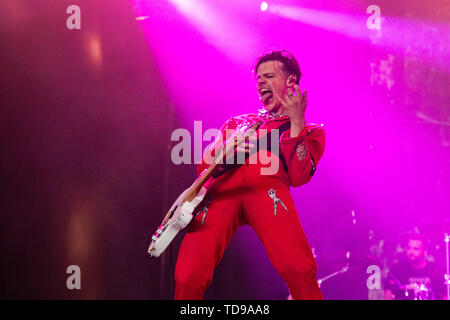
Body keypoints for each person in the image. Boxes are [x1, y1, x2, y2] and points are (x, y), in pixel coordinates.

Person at [173, 50, 326, 300]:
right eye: (258, 79)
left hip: (268, 192)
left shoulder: (312, 131)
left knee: (299, 268)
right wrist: (224, 152)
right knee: (187, 275)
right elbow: (203, 166)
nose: (260, 82)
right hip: (222, 193)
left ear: (291, 82)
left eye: (268, 76)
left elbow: (299, 176)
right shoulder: (239, 123)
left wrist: (297, 122)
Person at [384, 232, 446, 300]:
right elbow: (388, 294)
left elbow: (444, 296)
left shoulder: (434, 270)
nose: (411, 252)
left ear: (424, 251)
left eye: (416, 249)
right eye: (409, 248)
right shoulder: (397, 269)